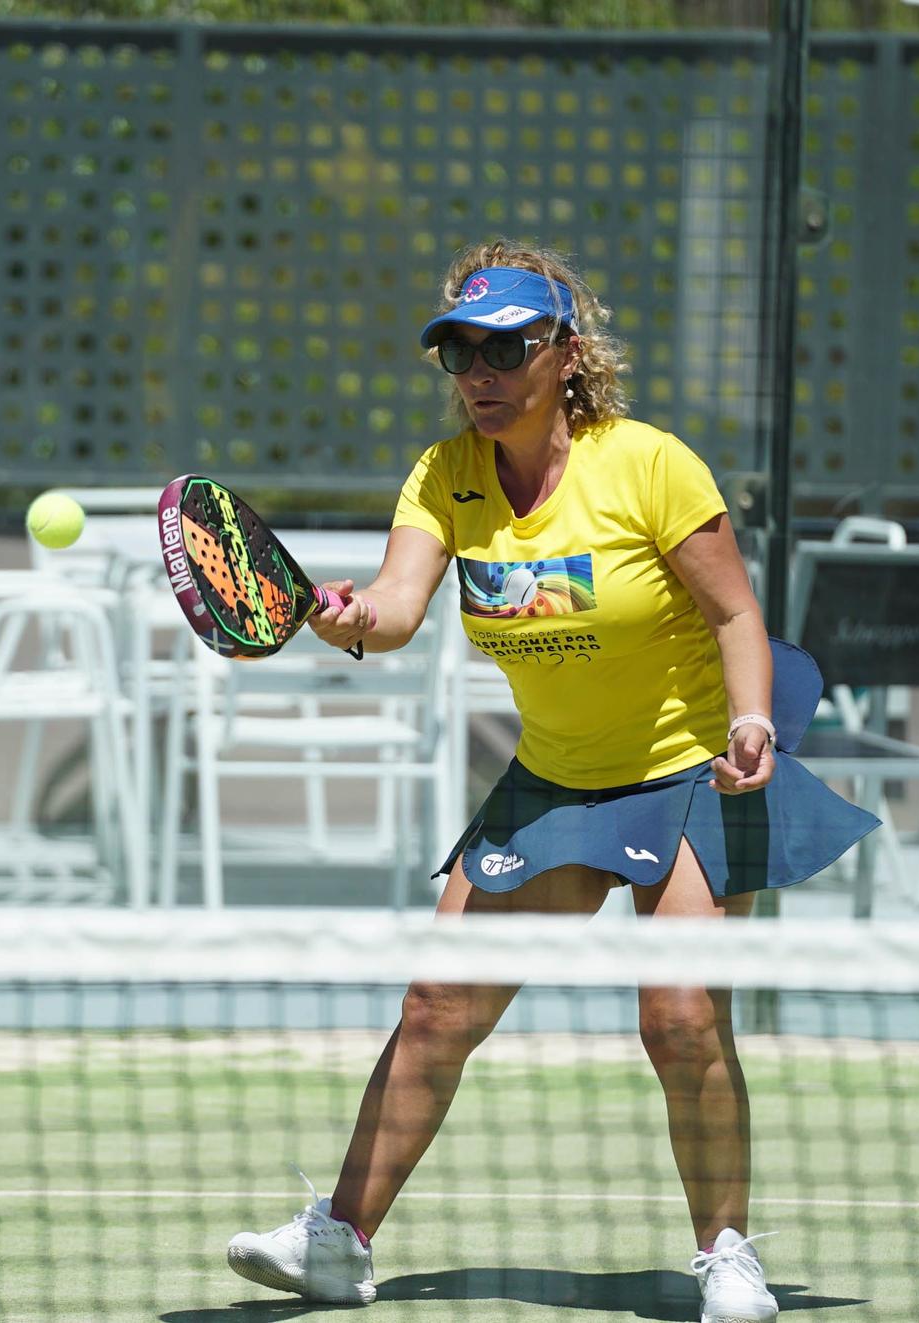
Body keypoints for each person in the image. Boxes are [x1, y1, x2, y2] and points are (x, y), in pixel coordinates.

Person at [223, 242, 878, 1322]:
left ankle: (725, 1258)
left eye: (504, 349)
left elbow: (733, 614)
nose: (479, 373)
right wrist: (329, 617)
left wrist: (751, 720)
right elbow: (391, 611)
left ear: (563, 354)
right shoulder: (444, 476)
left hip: (685, 774)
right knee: (436, 1006)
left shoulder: (649, 464)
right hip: (555, 779)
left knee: (677, 1015)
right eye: (459, 353)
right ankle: (336, 1244)